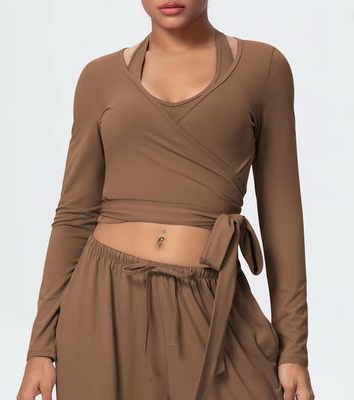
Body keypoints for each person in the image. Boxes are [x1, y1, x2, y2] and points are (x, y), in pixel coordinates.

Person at [17, 1, 315, 399]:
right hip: (102, 306)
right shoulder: (98, 78)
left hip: (210, 304)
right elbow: (74, 215)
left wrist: (293, 349)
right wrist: (41, 346)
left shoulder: (264, 69)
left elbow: (282, 217)